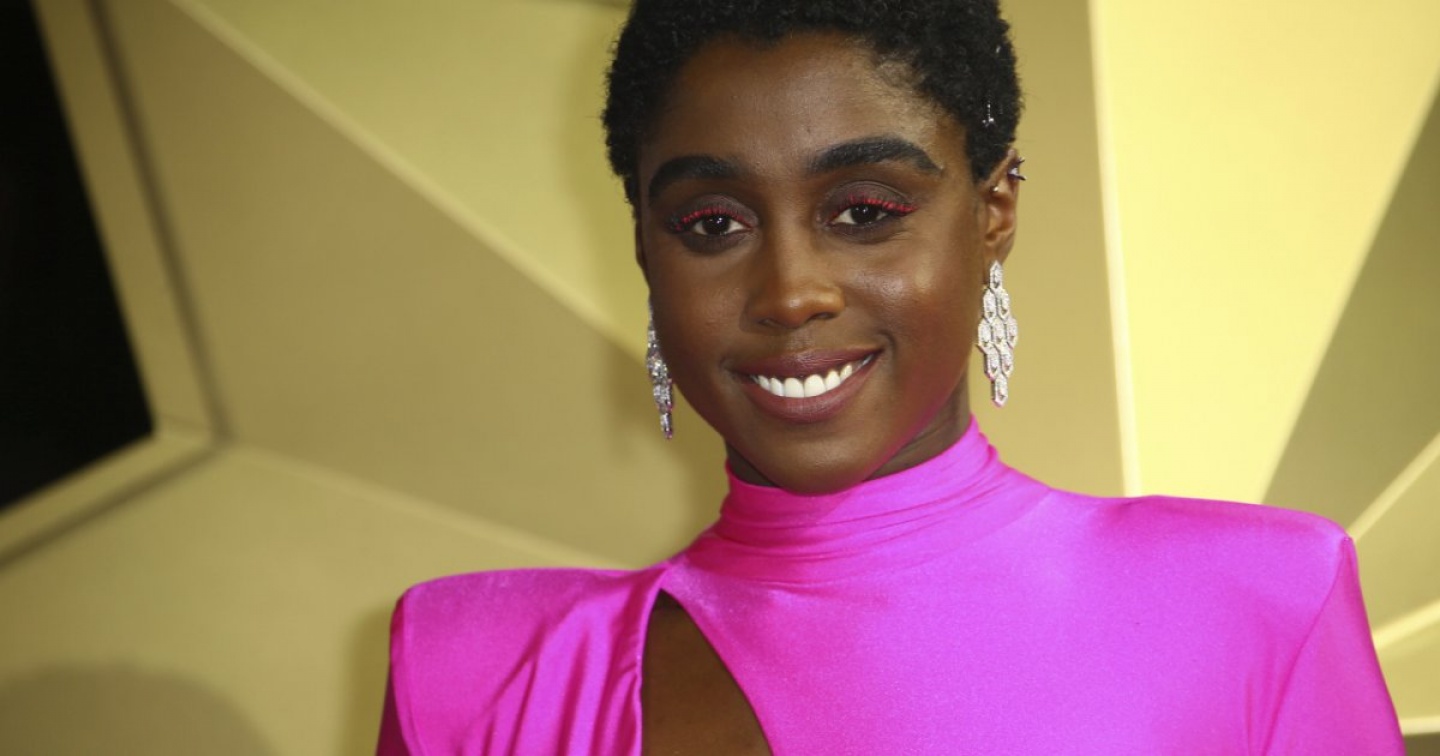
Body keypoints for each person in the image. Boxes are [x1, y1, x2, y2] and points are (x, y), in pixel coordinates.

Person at [377, 1, 1404, 753]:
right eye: (712, 224)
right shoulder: (474, 669)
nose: (791, 292)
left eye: (864, 212)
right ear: (647, 249)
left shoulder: (1258, 603)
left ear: (993, 212)